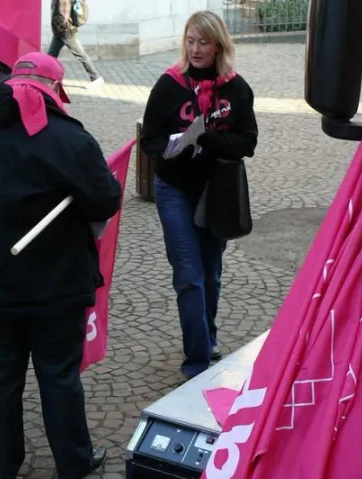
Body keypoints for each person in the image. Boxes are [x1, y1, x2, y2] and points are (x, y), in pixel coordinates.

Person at [0, 52, 122, 479]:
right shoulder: (70, 140)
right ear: (54, 90)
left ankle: (2, 468)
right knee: (58, 375)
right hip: (54, 286)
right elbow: (104, 201)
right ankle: (73, 461)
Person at [141, 10, 258, 379]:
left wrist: (210, 139)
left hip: (216, 193)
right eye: (190, 40)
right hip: (174, 189)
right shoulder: (169, 85)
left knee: (211, 273)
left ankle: (206, 335)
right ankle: (197, 362)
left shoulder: (236, 88)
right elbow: (149, 140)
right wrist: (173, 146)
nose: (195, 48)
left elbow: (248, 141)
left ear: (218, 44)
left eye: (203, 42)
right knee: (189, 275)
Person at [48, 0, 103, 85]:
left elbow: (65, 8)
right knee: (51, 55)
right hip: (59, 31)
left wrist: (63, 24)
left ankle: (96, 78)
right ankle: (48, 77)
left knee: (81, 55)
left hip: (66, 32)